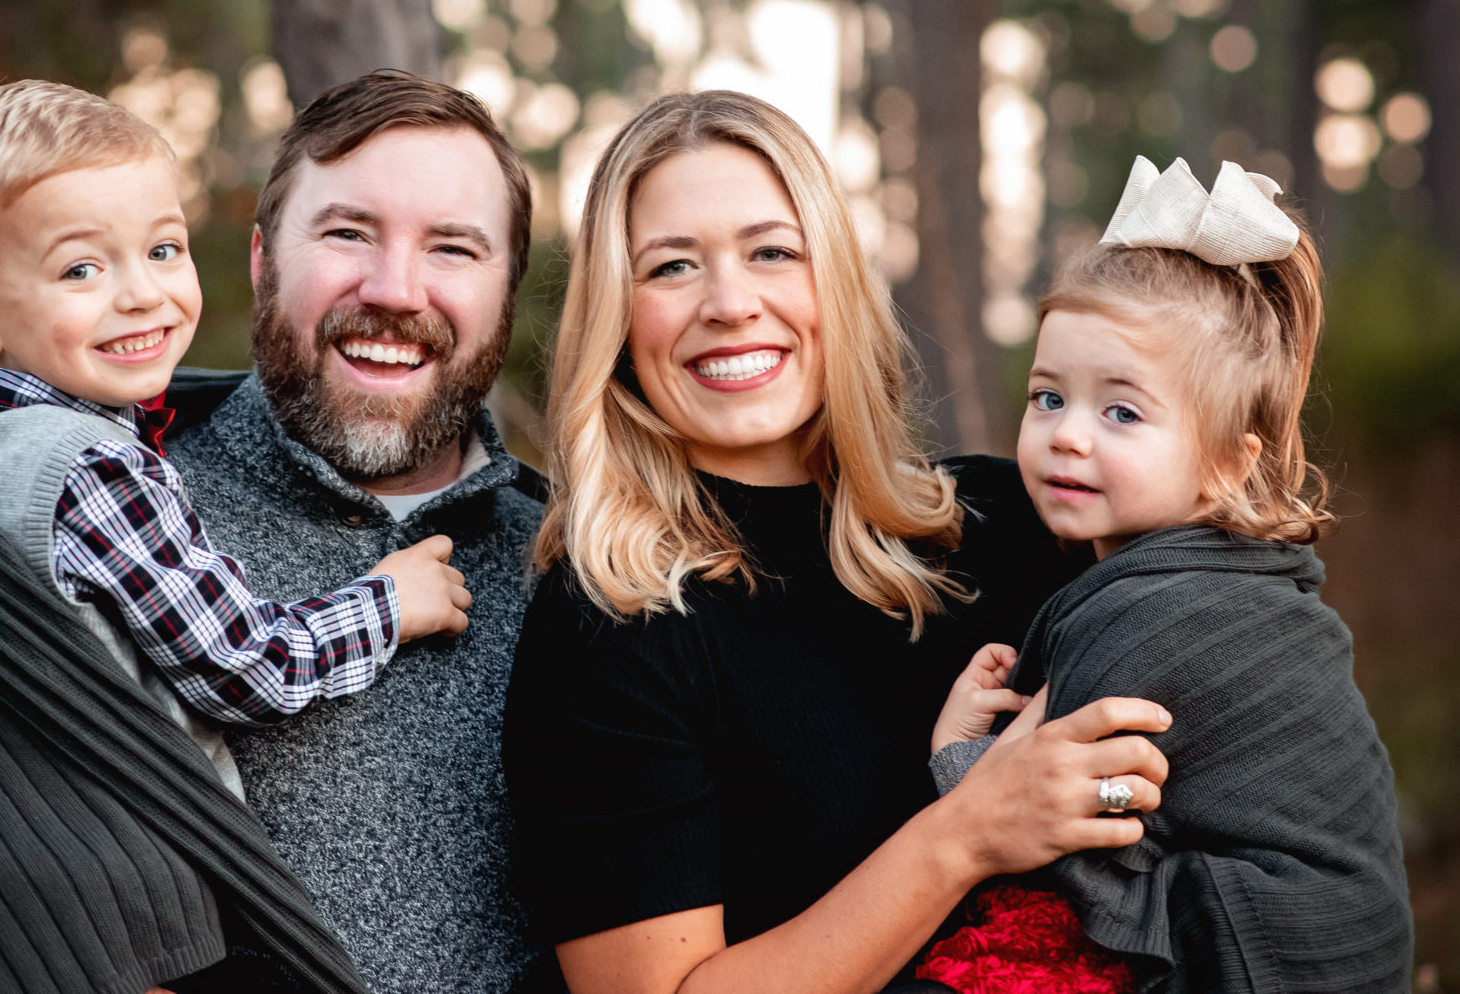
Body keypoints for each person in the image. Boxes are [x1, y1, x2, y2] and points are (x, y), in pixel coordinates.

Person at [0, 79, 477, 993]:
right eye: (82, 269)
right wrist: (389, 603)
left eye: (162, 249)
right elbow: (246, 664)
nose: (143, 295)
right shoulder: (91, 470)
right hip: (109, 908)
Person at [501, 90, 1174, 994]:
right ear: (618, 321)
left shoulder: (1020, 518)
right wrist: (969, 830)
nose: (731, 302)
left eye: (773, 251)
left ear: (837, 281)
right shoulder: (609, 626)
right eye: (670, 268)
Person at [914, 156, 1413, 994]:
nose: (1069, 435)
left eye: (1121, 411)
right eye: (1048, 397)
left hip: (1279, 949)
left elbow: (1052, 825)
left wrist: (961, 757)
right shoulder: (1225, 575)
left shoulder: (1167, 616)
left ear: (1225, 463)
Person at [162, 69, 550, 994]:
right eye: (347, 233)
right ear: (264, 260)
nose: (394, 289)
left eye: (453, 248)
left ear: (506, 291)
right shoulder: (127, 525)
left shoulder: (575, 569)